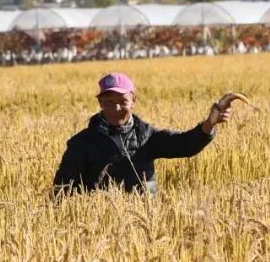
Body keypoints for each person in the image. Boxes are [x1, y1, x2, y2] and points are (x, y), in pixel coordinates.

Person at [51, 72, 234, 197]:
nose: (115, 108)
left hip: (145, 222)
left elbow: (184, 144)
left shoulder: (147, 136)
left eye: (122, 101)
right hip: (103, 227)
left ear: (133, 101)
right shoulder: (82, 143)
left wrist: (210, 123)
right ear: (100, 103)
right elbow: (62, 190)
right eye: (108, 102)